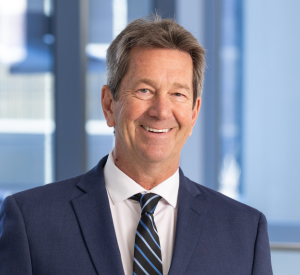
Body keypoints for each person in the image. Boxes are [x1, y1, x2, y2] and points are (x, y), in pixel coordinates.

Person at [0, 15, 272, 275]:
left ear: (193, 113)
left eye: (177, 94)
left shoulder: (245, 231)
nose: (161, 111)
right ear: (109, 104)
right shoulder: (31, 221)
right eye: (144, 90)